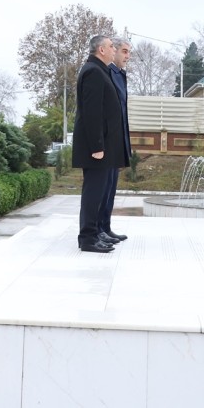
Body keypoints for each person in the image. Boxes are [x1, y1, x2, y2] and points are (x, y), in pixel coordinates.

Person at [73, 33, 128, 253]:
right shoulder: (93, 72)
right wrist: (97, 147)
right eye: (111, 47)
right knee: (93, 193)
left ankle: (95, 233)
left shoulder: (99, 70)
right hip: (96, 149)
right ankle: (87, 238)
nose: (114, 50)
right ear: (101, 50)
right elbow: (92, 113)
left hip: (105, 148)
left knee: (100, 192)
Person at [98, 37, 133, 245]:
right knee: (102, 189)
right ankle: (98, 229)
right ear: (114, 52)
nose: (127, 56)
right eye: (124, 51)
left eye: (129, 53)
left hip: (117, 142)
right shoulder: (107, 74)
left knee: (110, 189)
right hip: (107, 142)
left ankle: (105, 226)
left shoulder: (120, 75)